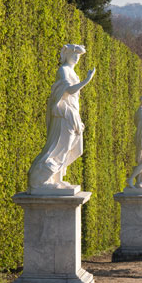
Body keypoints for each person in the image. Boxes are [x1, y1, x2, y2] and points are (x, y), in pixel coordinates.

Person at [28, 44, 95, 191]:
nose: (77, 58)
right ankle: (40, 178)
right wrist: (86, 81)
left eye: (79, 55)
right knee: (59, 146)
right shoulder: (63, 70)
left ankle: (57, 179)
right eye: (75, 54)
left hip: (71, 112)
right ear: (67, 55)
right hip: (62, 113)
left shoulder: (72, 72)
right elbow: (67, 91)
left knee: (68, 147)